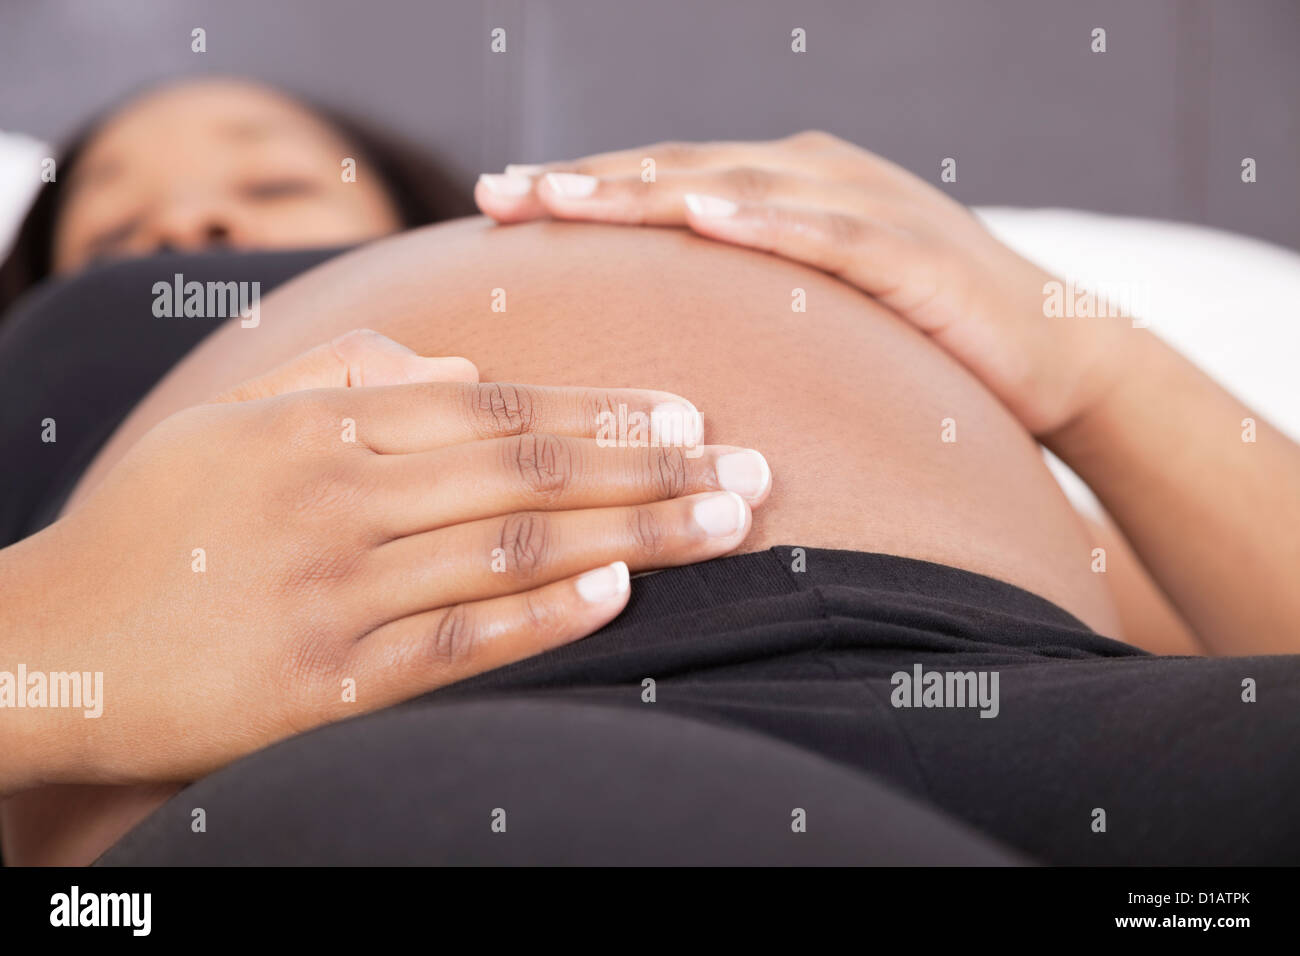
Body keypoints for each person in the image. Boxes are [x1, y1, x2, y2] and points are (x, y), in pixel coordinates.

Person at [2, 79, 1297, 866]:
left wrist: (1091, 357)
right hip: (445, 756)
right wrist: (48, 637)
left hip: (1028, 679)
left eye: (275, 177)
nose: (193, 225)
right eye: (116, 231)